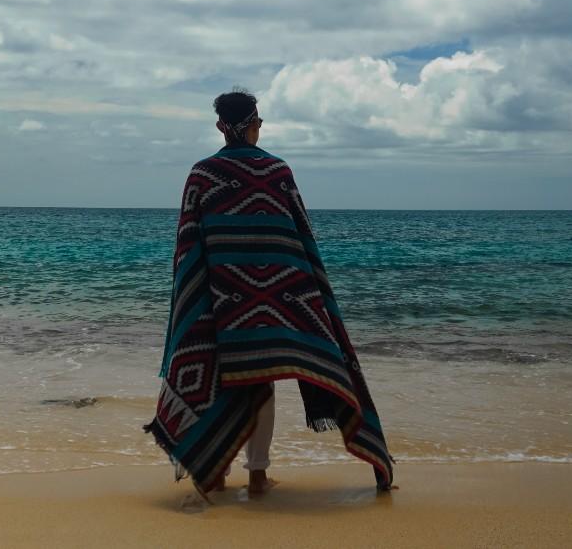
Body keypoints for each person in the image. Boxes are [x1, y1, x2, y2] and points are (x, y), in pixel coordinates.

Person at [143, 90, 394, 499]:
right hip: (279, 300)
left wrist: (196, 303)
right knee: (261, 381)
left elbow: (188, 249)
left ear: (220, 127)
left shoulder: (201, 175)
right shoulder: (277, 171)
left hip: (219, 304)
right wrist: (305, 295)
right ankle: (258, 477)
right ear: (254, 124)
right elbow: (299, 240)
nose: (260, 129)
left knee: (226, 383)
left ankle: (216, 474)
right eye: (259, 123)